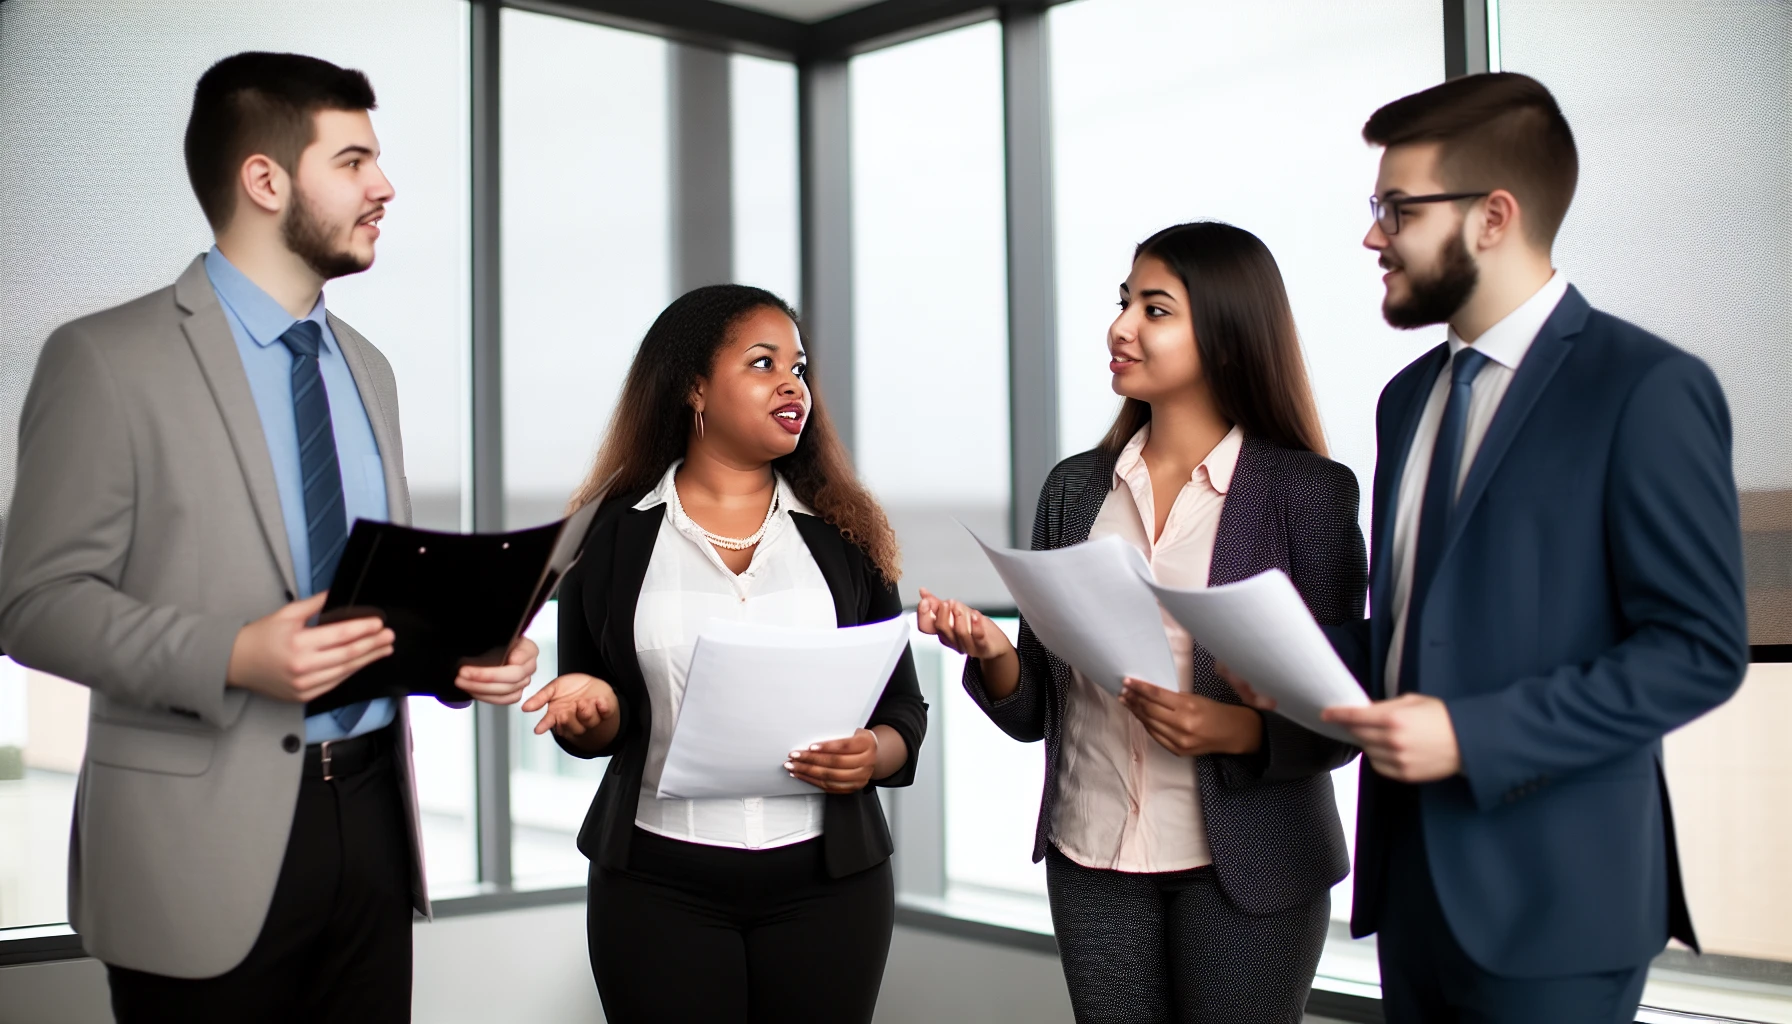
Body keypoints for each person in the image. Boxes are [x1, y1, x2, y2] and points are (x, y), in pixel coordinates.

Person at [0, 52, 538, 1021]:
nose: (385, 185)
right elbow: (33, 603)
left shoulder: (367, 367)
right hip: (192, 849)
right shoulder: (105, 359)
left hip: (373, 825)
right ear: (265, 179)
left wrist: (456, 657)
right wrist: (233, 654)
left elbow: (359, 595)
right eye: (354, 160)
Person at [1227, 73, 1747, 1023]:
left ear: (1494, 217)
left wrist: (1472, 736)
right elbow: (1433, 629)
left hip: (1559, 902)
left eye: (1397, 208)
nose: (1372, 235)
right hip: (1413, 889)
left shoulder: (1645, 390)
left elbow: (1698, 652)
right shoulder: (1407, 399)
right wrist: (1297, 664)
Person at [917, 221, 1367, 1024]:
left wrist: (1231, 731)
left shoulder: (1308, 494)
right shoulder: (1075, 490)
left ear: (1228, 337)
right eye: (1124, 302)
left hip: (1248, 862)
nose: (1120, 327)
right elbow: (1034, 713)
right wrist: (991, 653)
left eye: (1154, 309)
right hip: (1092, 855)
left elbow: (1345, 713)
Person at [520, 284, 928, 1024]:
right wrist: (591, 712)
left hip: (830, 885)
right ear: (694, 387)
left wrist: (875, 752)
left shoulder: (848, 534)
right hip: (656, 885)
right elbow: (595, 709)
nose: (791, 384)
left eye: (798, 368)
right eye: (763, 363)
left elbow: (902, 706)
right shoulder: (606, 536)